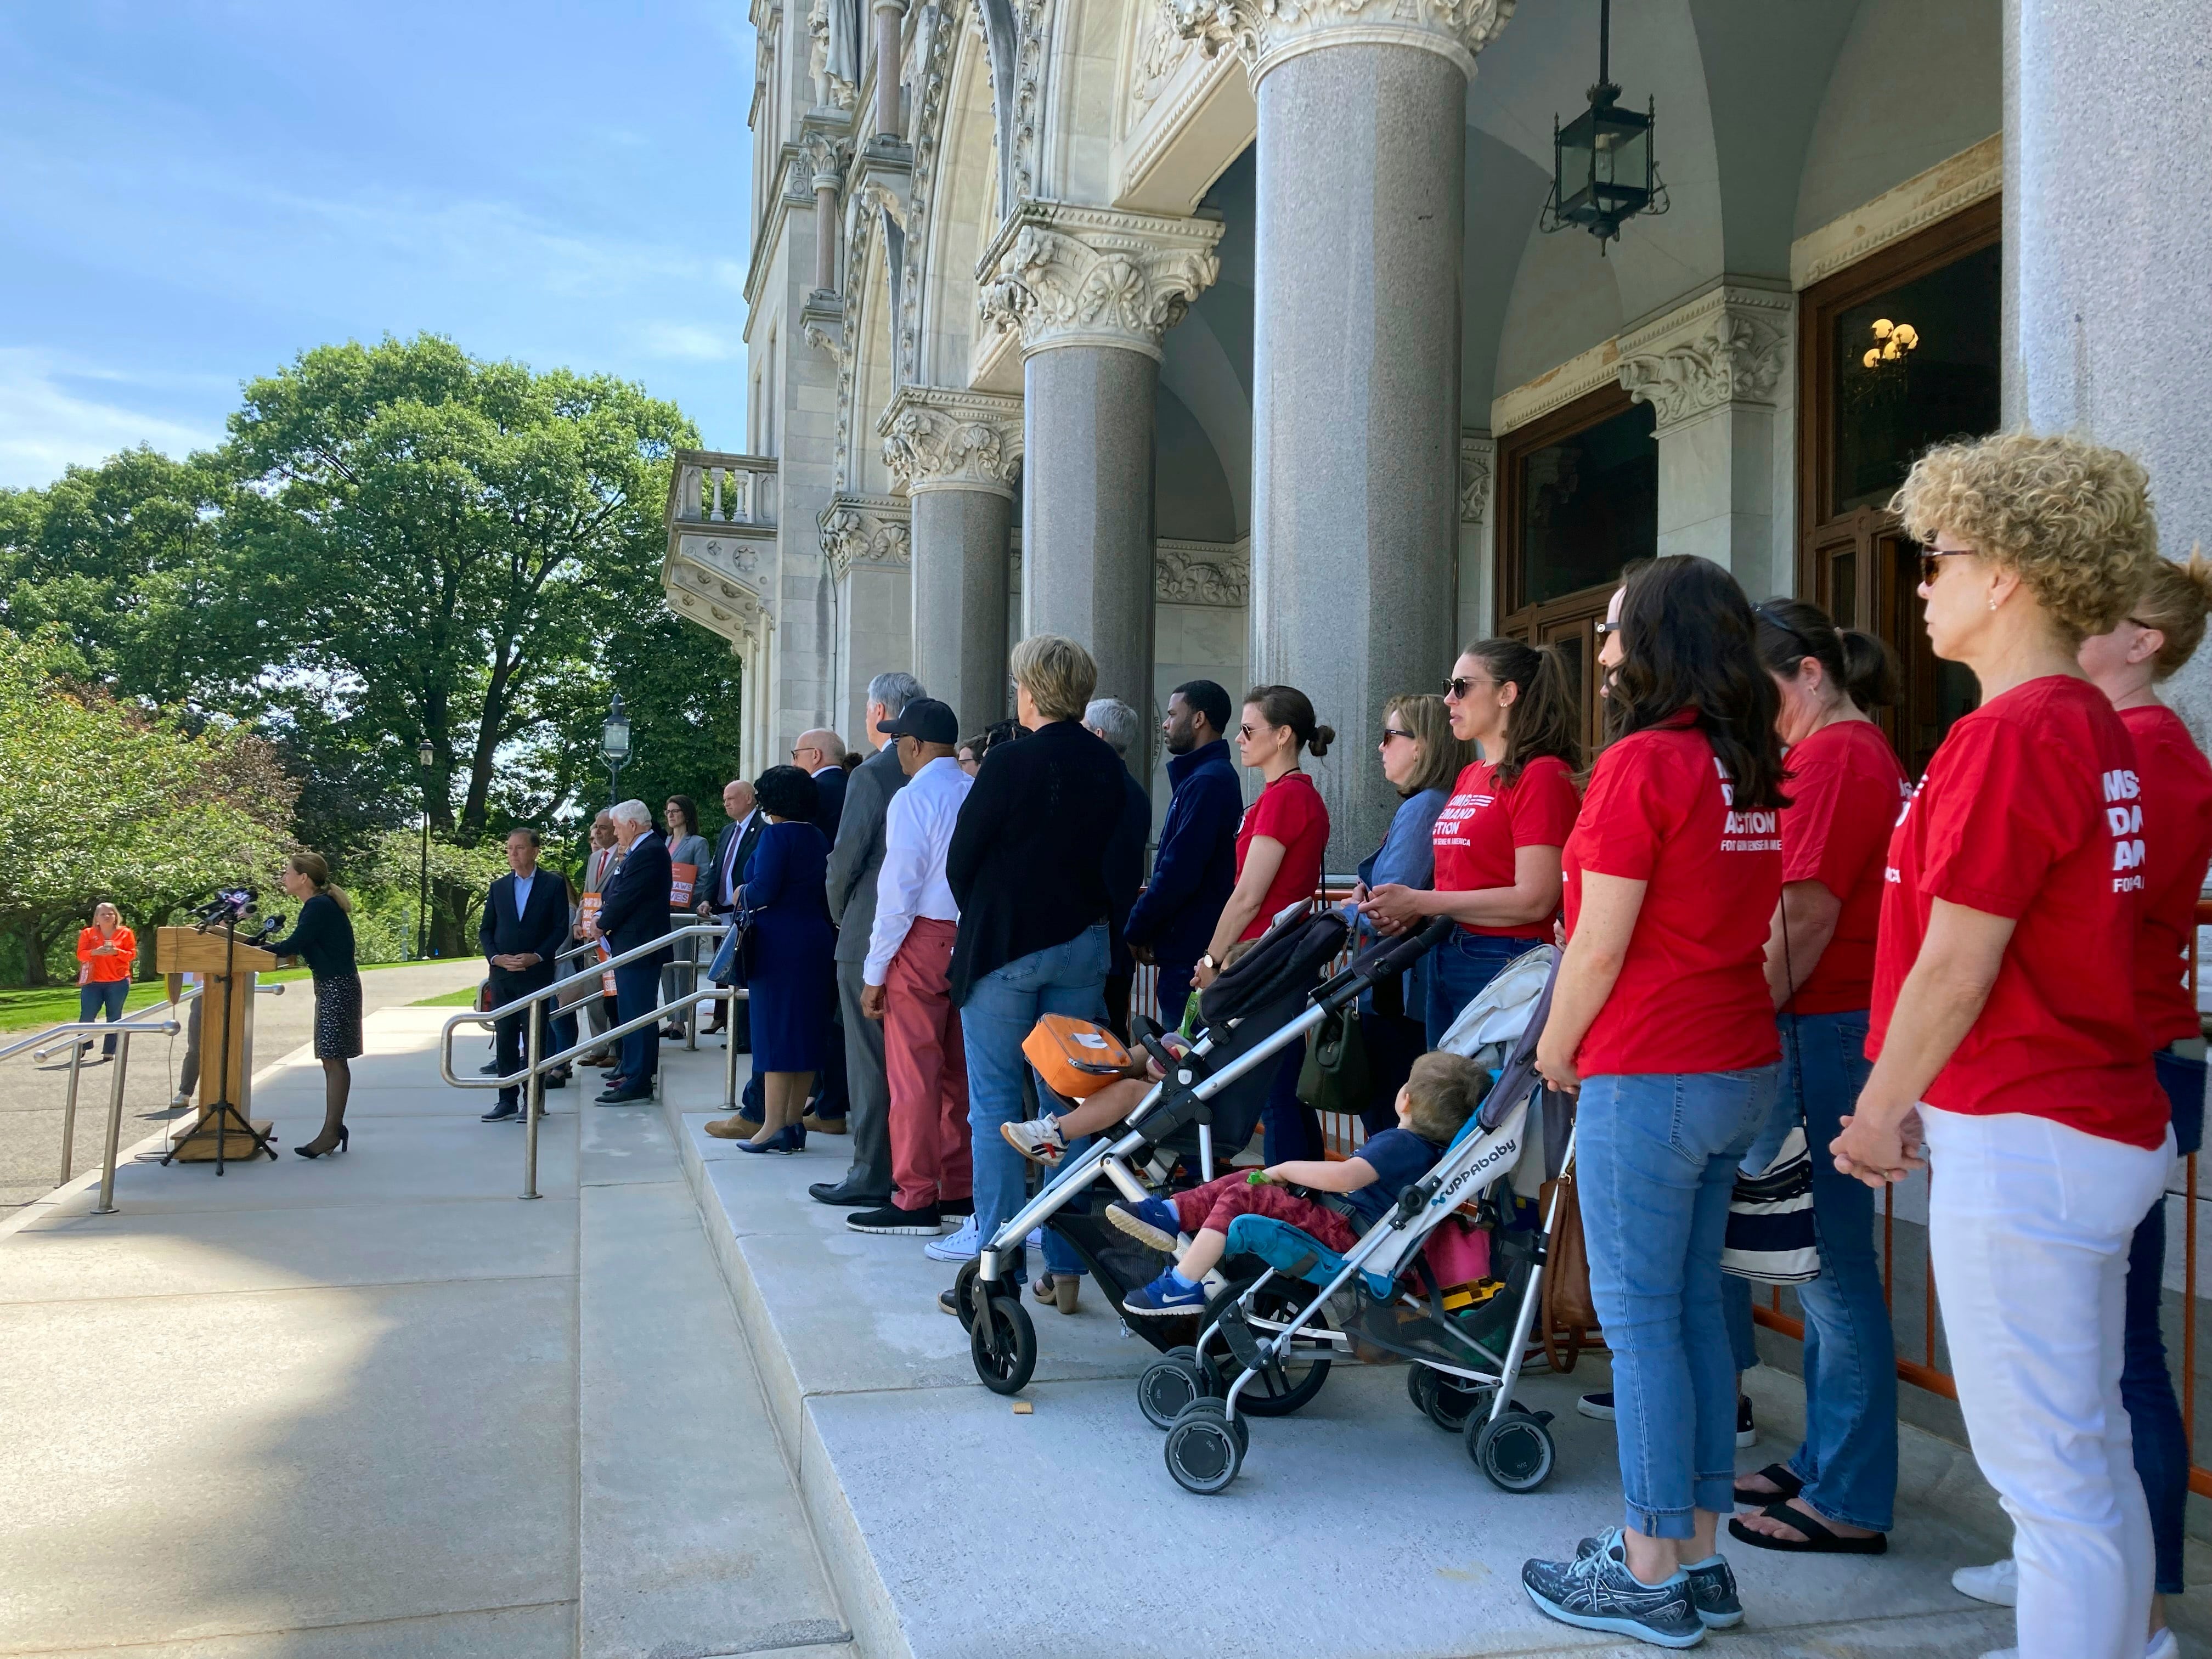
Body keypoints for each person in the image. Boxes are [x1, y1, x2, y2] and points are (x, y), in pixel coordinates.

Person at [1828, 432, 2170, 1659]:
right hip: (2078, 1120)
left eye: (1939, 558)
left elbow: (1956, 964)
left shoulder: (2015, 732)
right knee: (2086, 1453)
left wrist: (1876, 1111)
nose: (1922, 584)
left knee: (2050, 1482)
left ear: (2009, 573)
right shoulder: (2082, 722)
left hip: (2031, 1130)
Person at [1520, 556, 1788, 1646]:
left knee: (1641, 1329)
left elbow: (1600, 941)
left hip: (1652, 1065)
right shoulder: (1754, 767)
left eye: (1619, 623)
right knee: (1689, 1316)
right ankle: (1701, 1560)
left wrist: (1552, 1047)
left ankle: (1645, 1571)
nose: (1601, 641)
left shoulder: (1642, 766)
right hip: (1734, 1062)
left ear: (1663, 639)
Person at [1947, 550, 2212, 1647]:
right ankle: (2098, 1591)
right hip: (2109, 1064)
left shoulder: (2136, 747)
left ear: (2142, 640)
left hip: (2104, 1068)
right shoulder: (2113, 739)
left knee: (2114, 1374)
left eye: (2097, 614)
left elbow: (2063, 910)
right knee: (2092, 1381)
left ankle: (2125, 1607)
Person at [1711, 599, 1908, 1555]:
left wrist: (1738, 1022)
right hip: (1813, 1023)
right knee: (1820, 1264)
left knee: (1829, 1269)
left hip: (1815, 1027)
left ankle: (1851, 1492)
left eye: (1764, 693)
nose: (1758, 715)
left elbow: (1806, 916)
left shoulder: (1836, 755)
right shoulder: (1833, 750)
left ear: (1810, 674)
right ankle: (1828, 1459)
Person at [941, 635, 1127, 1308]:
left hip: (1007, 945)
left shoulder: (1010, 761)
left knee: (994, 1107)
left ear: (1030, 689)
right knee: (1069, 1108)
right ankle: (1069, 1268)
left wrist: (991, 911)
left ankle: (1000, 1268)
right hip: (1083, 943)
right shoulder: (1109, 766)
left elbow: (962, 859)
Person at [1106, 1050, 1488, 1314]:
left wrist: (1286, 1169)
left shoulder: (1400, 1143)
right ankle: (1170, 1214)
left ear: (1404, 1099)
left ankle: (1182, 1284)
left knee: (1242, 1195)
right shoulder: (1430, 1152)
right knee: (1249, 1180)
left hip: (1345, 1233)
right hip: (1351, 1227)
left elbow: (1344, 1177)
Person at [1361, 639, 1582, 1046]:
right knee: (1446, 1101)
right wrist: (1401, 907)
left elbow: (1535, 897)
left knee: (1487, 1101)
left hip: (1508, 957)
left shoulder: (1544, 774)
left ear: (1507, 694)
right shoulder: (1471, 774)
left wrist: (1421, 902)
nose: (1448, 699)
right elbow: (1457, 883)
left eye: (1461, 687)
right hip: (1446, 949)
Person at [850, 697, 975, 1236]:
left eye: (902, 740)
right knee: (958, 1075)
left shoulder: (912, 798)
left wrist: (874, 973)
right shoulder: (974, 789)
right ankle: (959, 1189)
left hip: (921, 940)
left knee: (913, 1077)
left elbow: (897, 893)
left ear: (916, 745)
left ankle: (916, 1196)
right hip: (968, 939)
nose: (898, 748)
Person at [1193, 685, 1334, 1164]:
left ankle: (1286, 1197)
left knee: (1272, 1091)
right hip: (1279, 956)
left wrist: (1212, 958)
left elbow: (1249, 895)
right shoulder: (1292, 796)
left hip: (1262, 958)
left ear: (1284, 735)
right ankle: (1297, 1194)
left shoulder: (1284, 799)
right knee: (1282, 1087)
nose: (1239, 738)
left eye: (1250, 730)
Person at [815, 672, 928, 1202]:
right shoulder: (941, 773)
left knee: (869, 1061)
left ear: (881, 711)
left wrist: (840, 915)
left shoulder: (875, 775)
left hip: (869, 931)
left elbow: (844, 862)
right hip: (929, 935)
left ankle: (871, 1172)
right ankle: (913, 1170)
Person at [1346, 694, 1466, 1134]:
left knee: (1389, 1121)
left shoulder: (1423, 807)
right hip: (1411, 991)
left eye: (1388, 736)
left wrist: (1350, 908)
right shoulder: (1439, 801)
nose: (1380, 748)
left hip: (1396, 993)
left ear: (1420, 746)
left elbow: (1385, 915)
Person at [706, 766, 834, 1153]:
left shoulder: (777, 835)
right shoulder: (817, 835)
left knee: (775, 1035)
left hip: (780, 944)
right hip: (815, 939)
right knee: (806, 1033)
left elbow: (763, 890)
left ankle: (773, 1126)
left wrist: (742, 890)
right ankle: (794, 1123)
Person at [1123, 679, 1239, 1031]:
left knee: (1184, 1062)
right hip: (1188, 946)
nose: (1165, 723)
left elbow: (1179, 870)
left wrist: (1137, 928)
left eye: (1173, 714)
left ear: (1199, 719)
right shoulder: (1204, 778)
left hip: (1191, 954)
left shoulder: (1207, 782)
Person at [269, 852, 363, 1159]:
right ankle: (334, 1127)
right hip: (335, 985)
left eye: (287, 872)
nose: (284, 877)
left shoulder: (318, 906)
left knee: (333, 1059)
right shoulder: (320, 905)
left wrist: (246, 947)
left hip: (337, 987)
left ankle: (331, 1132)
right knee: (331, 1059)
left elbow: (293, 944)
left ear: (303, 878)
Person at [476, 829, 571, 1124]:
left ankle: (533, 1100)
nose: (513, 854)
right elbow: (486, 930)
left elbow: (560, 927)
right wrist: (496, 958)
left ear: (534, 850)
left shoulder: (553, 884)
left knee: (535, 1038)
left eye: (519, 848)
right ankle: (505, 1099)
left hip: (535, 973)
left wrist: (537, 956)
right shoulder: (498, 887)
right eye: (509, 849)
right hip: (503, 974)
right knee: (505, 1036)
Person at [588, 799, 673, 1105]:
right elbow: (618, 891)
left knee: (638, 1013)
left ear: (633, 826)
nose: (616, 833)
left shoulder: (648, 851)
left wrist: (602, 922)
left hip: (640, 944)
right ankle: (634, 1070)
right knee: (631, 1011)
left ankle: (638, 1078)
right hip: (632, 943)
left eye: (619, 828)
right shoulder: (642, 849)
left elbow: (627, 895)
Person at [1084, 696, 1153, 1042]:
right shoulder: (1138, 795)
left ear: (1097, 735)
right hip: (1119, 938)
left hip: (1089, 939)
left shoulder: (1091, 791)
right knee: (1112, 1035)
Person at [699, 778, 760, 1041]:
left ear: (748, 798)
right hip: (722, 911)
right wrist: (706, 899)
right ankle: (721, 1016)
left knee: (740, 969)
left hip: (745, 912)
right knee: (722, 967)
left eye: (731, 799)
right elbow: (716, 869)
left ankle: (740, 1031)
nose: (726, 803)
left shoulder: (762, 829)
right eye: (724, 799)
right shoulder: (727, 831)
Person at [661, 794, 714, 1040]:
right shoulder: (665, 843)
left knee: (683, 967)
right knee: (667, 968)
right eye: (668, 811)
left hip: (683, 914)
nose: (671, 815)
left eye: (676, 811)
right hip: (664, 913)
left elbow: (704, 876)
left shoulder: (697, 843)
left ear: (686, 814)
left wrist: (692, 902)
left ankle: (682, 1021)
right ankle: (672, 1017)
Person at [579, 810, 623, 1066]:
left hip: (611, 935)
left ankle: (616, 1049)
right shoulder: (595, 858)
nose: (597, 832)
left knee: (612, 993)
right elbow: (588, 894)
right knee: (593, 991)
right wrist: (578, 922)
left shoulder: (624, 854)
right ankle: (599, 1045)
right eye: (596, 827)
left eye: (604, 828)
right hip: (589, 935)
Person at [75, 901, 137, 1060]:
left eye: (111, 913)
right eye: (103, 914)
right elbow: (81, 955)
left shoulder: (125, 933)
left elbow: (132, 955)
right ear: (97, 918)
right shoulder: (88, 933)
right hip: (93, 982)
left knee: (114, 1016)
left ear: (116, 916)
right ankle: (83, 1045)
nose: (108, 916)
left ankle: (109, 1051)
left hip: (118, 981)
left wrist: (117, 952)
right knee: (87, 1015)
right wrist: (95, 952)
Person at [793, 728, 849, 843]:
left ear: (816, 755)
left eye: (796, 755)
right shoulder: (856, 785)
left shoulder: (806, 791)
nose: (793, 763)